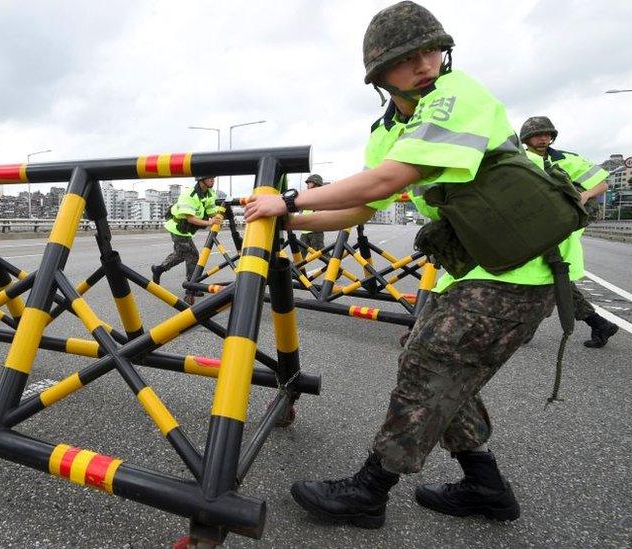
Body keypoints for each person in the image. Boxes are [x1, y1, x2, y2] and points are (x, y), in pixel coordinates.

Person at [244, 1, 580, 529]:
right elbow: (360, 208)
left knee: (428, 364)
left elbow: (386, 181)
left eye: (432, 51)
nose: (425, 63)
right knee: (432, 364)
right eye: (408, 57)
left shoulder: (457, 95)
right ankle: (485, 485)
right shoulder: (385, 131)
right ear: (381, 75)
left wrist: (288, 201)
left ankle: (370, 490)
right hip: (475, 268)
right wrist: (286, 223)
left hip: (521, 269)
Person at [520, 116, 618, 348]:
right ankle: (598, 323)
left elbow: (602, 183)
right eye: (538, 134)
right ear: (526, 138)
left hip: (562, 226)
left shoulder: (567, 159)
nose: (543, 138)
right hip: (531, 225)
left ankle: (526, 328)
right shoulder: (518, 159)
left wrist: (584, 195)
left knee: (544, 276)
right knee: (550, 277)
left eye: (547, 134)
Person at [151, 175, 223, 304]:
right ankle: (191, 289)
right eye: (210, 177)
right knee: (193, 255)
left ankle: (159, 269)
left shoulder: (209, 193)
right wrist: (209, 222)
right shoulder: (189, 195)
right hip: (177, 228)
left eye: (214, 177)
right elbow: (190, 219)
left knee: (180, 254)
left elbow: (211, 210)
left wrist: (218, 217)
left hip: (185, 229)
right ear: (201, 179)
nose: (213, 180)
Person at [297, 174, 326, 252]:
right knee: (300, 257)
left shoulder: (320, 196)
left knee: (321, 253)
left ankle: (333, 264)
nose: (307, 185)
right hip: (305, 232)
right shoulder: (308, 196)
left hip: (315, 232)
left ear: (315, 183)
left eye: (309, 183)